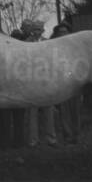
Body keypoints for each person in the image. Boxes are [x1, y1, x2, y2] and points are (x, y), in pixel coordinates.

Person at [25, 20, 58, 148]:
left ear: (42, 30)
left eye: (39, 29)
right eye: (35, 29)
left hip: (45, 81)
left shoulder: (47, 42)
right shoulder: (25, 43)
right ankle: (33, 140)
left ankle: (51, 138)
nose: (37, 31)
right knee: (32, 113)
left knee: (48, 110)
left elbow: (51, 60)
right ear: (32, 30)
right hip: (32, 81)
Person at [50, 23, 79, 145]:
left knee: (76, 110)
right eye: (60, 32)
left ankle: (77, 136)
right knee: (64, 111)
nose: (63, 34)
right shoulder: (53, 48)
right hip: (61, 84)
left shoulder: (75, 47)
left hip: (75, 82)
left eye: (65, 31)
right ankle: (68, 136)